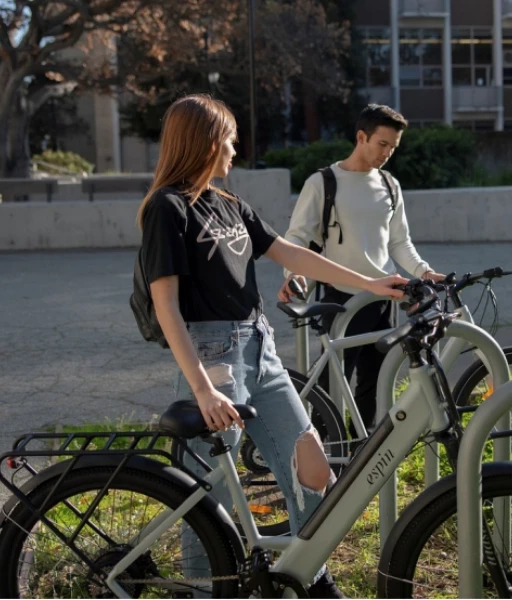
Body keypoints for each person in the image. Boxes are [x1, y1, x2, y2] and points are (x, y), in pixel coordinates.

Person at [137, 94, 406, 598]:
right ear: (204, 141)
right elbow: (167, 306)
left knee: (313, 467)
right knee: (211, 488)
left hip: (259, 346)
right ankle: (201, 589)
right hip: (212, 355)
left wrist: (371, 283)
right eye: (229, 140)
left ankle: (308, 574)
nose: (235, 149)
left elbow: (291, 253)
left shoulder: (230, 203)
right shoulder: (167, 208)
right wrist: (202, 390)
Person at [278, 104, 445, 431]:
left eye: (393, 148)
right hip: (342, 299)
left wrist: (424, 271)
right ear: (360, 137)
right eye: (382, 144)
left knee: (376, 384)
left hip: (384, 299)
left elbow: (399, 242)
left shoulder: (389, 185)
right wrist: (293, 276)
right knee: (331, 385)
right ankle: (321, 453)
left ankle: (362, 453)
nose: (387, 153)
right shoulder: (323, 183)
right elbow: (297, 237)